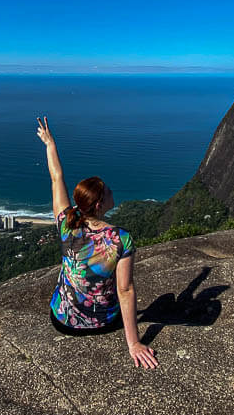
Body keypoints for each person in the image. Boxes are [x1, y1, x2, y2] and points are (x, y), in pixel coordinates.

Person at [36, 116, 159, 370]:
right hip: (104, 322)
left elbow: (56, 178)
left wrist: (50, 145)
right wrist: (134, 344)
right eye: (109, 193)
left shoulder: (66, 223)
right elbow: (125, 291)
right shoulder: (120, 238)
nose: (114, 193)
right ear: (100, 205)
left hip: (63, 320)